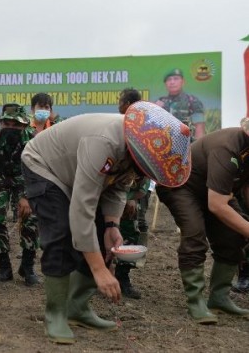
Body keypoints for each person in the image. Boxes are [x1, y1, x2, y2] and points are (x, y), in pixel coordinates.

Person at [21, 101, 191, 344]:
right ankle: (56, 314)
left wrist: (112, 226)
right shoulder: (103, 142)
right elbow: (82, 209)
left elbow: (118, 186)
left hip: (77, 174)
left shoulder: (136, 150)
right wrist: (100, 271)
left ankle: (77, 308)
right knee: (61, 234)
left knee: (104, 239)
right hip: (45, 166)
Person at [156, 117, 249, 324]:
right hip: (181, 185)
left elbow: (245, 188)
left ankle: (219, 298)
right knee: (194, 235)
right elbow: (216, 205)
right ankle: (195, 301)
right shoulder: (227, 148)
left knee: (234, 235)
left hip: (211, 191)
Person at [0, 103, 40, 286]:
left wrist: (26, 196)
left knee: (31, 218)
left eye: (16, 125)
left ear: (25, 125)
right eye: (7, 124)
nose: (11, 128)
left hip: (26, 178)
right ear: (1, 124)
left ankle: (27, 267)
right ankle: (4, 268)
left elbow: (40, 173)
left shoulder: (34, 143)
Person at [115, 88, 149, 299]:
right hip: (108, 190)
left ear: (128, 103)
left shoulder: (142, 130)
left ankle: (123, 279)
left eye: (121, 101)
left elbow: (145, 167)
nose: (119, 105)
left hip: (128, 196)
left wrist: (133, 197)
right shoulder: (115, 126)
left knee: (129, 234)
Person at [155, 68, 206, 140]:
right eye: (169, 79)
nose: (172, 82)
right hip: (163, 144)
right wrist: (155, 109)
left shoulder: (192, 101)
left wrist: (197, 148)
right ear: (165, 84)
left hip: (186, 145)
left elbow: (199, 127)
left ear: (183, 81)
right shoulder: (160, 102)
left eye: (176, 79)